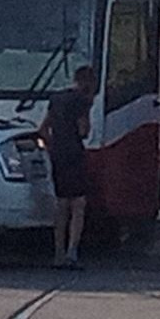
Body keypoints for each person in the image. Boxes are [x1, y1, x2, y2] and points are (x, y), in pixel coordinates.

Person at [39, 66, 98, 268]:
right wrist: (88, 109)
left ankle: (58, 252)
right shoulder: (82, 101)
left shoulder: (55, 98)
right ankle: (72, 252)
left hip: (58, 153)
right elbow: (84, 131)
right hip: (75, 153)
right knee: (79, 204)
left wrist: (51, 146)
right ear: (88, 82)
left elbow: (43, 128)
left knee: (61, 204)